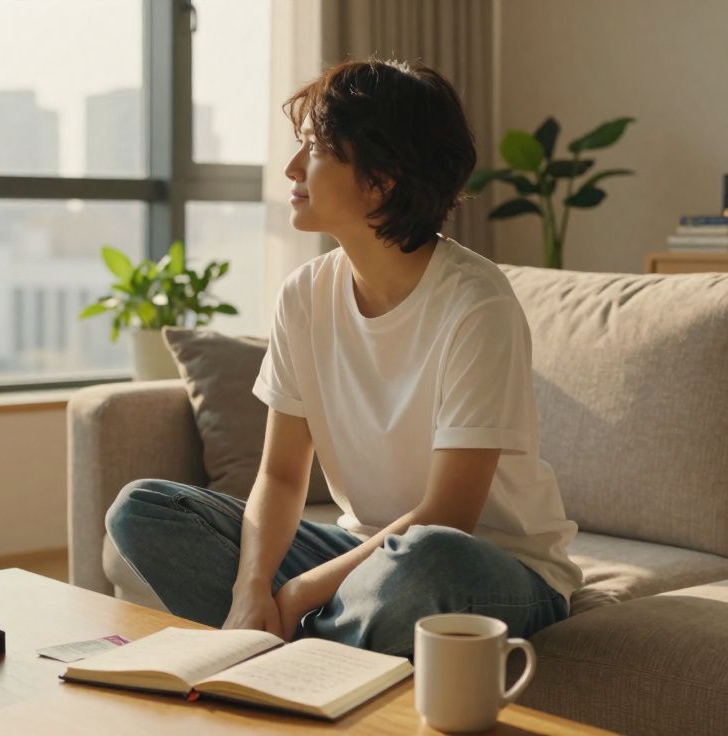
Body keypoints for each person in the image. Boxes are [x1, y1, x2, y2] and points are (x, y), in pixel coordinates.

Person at [105, 59, 582, 657]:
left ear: (382, 179)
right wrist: (253, 587)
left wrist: (302, 589)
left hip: (488, 568)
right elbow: (281, 475)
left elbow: (448, 514)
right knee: (144, 510)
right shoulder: (305, 295)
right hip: (362, 556)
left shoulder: (475, 304)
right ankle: (300, 648)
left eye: (317, 150)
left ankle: (279, 659)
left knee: (426, 559)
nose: (291, 169)